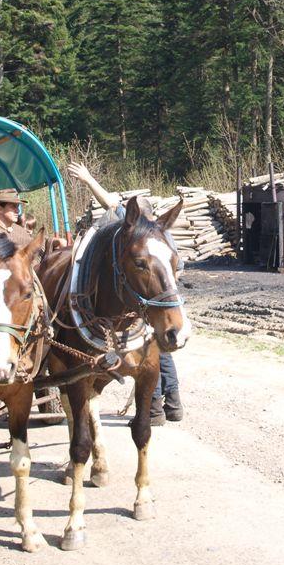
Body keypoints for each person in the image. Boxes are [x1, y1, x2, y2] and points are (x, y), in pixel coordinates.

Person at [67, 161, 184, 425]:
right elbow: (112, 204)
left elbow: (171, 268)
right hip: (158, 293)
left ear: (145, 216)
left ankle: (155, 408)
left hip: (154, 294)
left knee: (151, 351)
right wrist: (87, 180)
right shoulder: (157, 234)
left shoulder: (151, 236)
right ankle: (172, 403)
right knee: (161, 346)